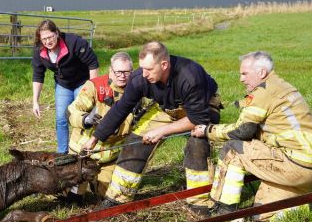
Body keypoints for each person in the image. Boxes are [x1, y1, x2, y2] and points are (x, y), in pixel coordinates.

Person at [82, 41, 221, 210]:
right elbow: (121, 108)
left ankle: (199, 202)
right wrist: (95, 138)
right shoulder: (140, 78)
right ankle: (117, 199)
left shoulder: (191, 76)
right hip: (167, 106)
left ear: (164, 64)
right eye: (142, 68)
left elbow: (197, 119)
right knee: (136, 141)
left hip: (201, 109)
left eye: (149, 69)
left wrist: (162, 130)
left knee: (197, 145)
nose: (144, 74)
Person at [190, 51, 312, 219]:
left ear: (261, 73)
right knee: (261, 214)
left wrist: (207, 131)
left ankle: (222, 211)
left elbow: (242, 131)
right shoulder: (283, 86)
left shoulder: (264, 91)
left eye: (245, 73)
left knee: (233, 149)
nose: (241, 79)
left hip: (293, 163)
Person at [67, 52, 145, 197]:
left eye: (126, 72)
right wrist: (85, 119)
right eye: (118, 72)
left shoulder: (139, 91)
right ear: (110, 71)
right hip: (83, 153)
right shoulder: (95, 86)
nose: (122, 76)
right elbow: (72, 111)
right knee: (72, 196)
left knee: (108, 196)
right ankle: (78, 187)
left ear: (132, 72)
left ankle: (97, 182)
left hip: (110, 156)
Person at [32, 20, 99, 153]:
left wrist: (93, 90)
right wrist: (35, 101)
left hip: (82, 83)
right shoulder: (39, 50)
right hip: (63, 85)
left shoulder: (75, 42)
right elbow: (38, 75)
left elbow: (93, 64)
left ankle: (83, 149)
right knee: (61, 119)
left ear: (56, 33)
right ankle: (62, 153)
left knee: (82, 117)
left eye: (50, 37)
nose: (47, 42)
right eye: (44, 39)